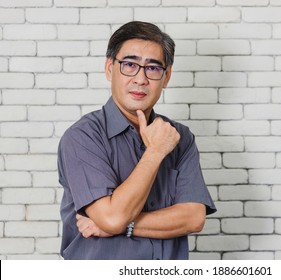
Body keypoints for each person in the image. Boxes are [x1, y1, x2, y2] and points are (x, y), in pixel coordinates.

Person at [58, 21, 216, 260]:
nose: (141, 79)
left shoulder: (180, 137)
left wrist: (124, 226)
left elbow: (193, 218)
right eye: (130, 65)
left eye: (152, 68)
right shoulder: (83, 137)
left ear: (167, 76)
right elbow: (111, 217)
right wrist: (155, 152)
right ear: (110, 68)